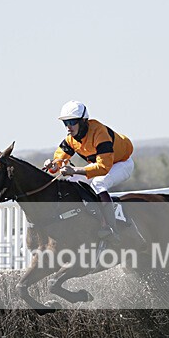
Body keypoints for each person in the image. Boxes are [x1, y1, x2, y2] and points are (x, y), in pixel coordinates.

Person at [44, 100, 134, 241]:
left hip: (121, 164)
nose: (68, 127)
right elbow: (59, 161)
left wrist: (74, 170)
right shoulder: (71, 139)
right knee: (71, 181)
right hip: (101, 165)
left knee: (98, 183)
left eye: (72, 122)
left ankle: (112, 229)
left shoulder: (100, 133)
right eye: (65, 123)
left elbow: (103, 168)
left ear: (83, 121)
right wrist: (52, 165)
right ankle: (90, 219)